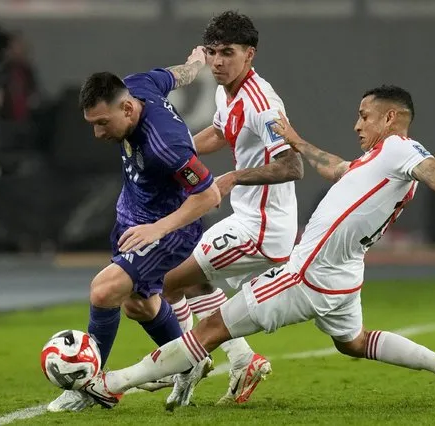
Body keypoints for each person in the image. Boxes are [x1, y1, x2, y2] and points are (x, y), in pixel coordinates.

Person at [79, 85, 435, 410]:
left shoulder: (400, 149)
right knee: (354, 343)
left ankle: (114, 381)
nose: (357, 123)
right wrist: (297, 142)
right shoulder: (378, 160)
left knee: (210, 329)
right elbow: (337, 169)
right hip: (343, 277)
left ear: (390, 118)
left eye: (365, 115)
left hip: (305, 273)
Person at [46, 48, 222, 412]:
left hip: (167, 229)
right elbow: (177, 75)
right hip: (133, 218)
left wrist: (158, 229)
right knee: (139, 306)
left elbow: (209, 195)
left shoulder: (166, 143)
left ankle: (87, 385)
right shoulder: (137, 85)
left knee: (103, 290)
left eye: (102, 123)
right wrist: (196, 64)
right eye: (92, 123)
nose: (97, 133)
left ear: (126, 109)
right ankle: (191, 359)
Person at [150, 11, 303, 407]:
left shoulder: (261, 102)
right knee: (192, 282)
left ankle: (188, 360)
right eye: (213, 52)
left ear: (249, 55)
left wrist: (233, 178)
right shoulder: (226, 90)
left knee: (163, 283)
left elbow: (292, 166)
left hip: (261, 230)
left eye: (228, 53)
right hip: (247, 220)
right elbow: (220, 132)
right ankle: (241, 359)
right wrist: (171, 151)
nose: (217, 62)